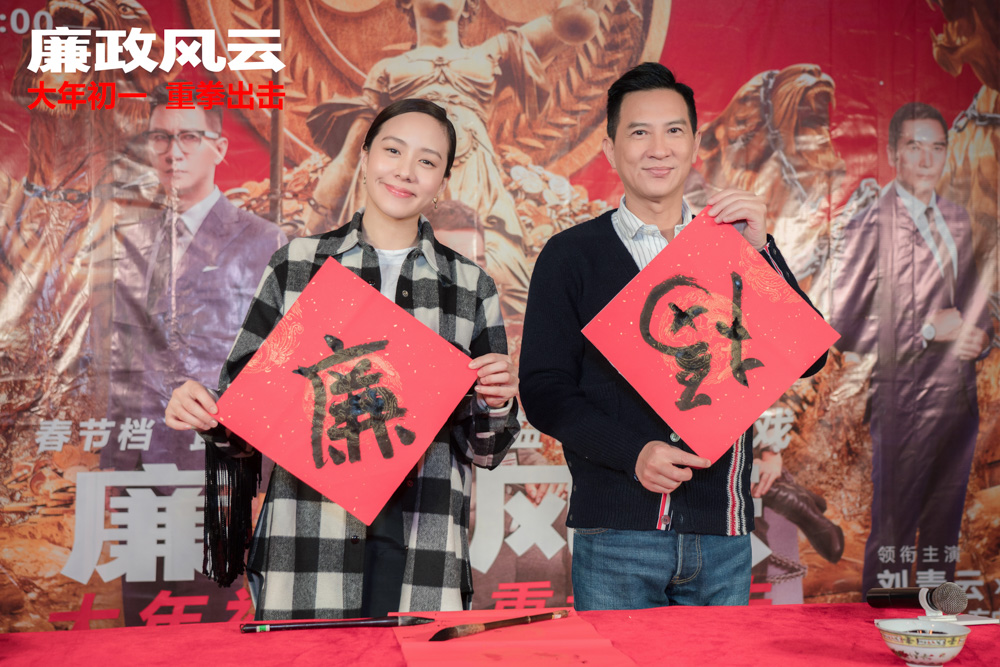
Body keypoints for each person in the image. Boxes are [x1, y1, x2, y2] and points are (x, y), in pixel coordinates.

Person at [165, 99, 520, 620]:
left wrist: (496, 402)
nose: (405, 170)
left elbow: (485, 451)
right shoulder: (298, 266)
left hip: (421, 541)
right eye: (393, 151)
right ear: (366, 154)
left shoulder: (468, 286)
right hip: (308, 538)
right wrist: (207, 412)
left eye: (426, 161)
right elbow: (246, 421)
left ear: (443, 181)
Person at [519, 62, 828, 610]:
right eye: (639, 132)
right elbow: (544, 390)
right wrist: (631, 453)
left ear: (695, 144)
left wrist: (762, 251)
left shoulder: (731, 245)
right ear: (610, 150)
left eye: (673, 131)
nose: (658, 149)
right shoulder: (572, 256)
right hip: (616, 535)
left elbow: (810, 359)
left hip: (721, 533)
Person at [102, 85, 287, 624]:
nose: (173, 152)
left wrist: (266, 478)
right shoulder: (130, 240)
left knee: (214, 621)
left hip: (223, 467)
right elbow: (118, 356)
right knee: (144, 617)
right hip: (143, 466)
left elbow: (278, 362)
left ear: (219, 148)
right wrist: (114, 464)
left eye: (188, 137)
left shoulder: (264, 240)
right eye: (160, 137)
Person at [305, 0, 604, 325]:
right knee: (386, 289)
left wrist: (585, 9)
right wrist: (310, 224)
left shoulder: (496, 51)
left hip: (476, 183)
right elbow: (351, 156)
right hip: (409, 188)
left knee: (502, 280)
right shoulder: (388, 69)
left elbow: (564, 23)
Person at [829, 102, 992, 594]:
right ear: (893, 152)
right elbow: (846, 324)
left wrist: (980, 337)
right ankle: (881, 629)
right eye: (915, 147)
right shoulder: (869, 224)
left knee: (944, 531)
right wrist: (925, 331)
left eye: (936, 148)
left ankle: (938, 626)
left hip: (957, 399)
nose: (927, 159)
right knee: (894, 532)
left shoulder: (957, 219)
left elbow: (973, 303)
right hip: (900, 400)